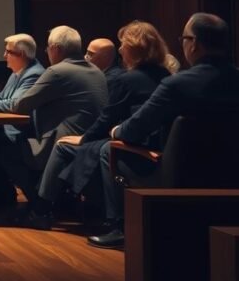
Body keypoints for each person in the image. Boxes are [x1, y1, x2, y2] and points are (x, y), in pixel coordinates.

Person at [88, 13, 239, 248]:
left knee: (109, 150)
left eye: (184, 38)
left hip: (183, 172)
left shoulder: (177, 84)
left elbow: (135, 129)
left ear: (194, 43)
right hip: (235, 171)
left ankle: (120, 227)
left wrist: (116, 131)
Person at [28, 21, 170, 230]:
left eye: (123, 45)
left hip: (132, 146)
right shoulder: (166, 76)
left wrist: (85, 138)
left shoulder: (128, 80)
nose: (120, 50)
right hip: (158, 145)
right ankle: (58, 208)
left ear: (134, 48)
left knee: (63, 145)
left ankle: (42, 210)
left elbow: (108, 118)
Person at [3, 25, 108, 213]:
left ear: (56, 49)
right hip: (94, 142)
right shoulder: (97, 71)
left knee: (6, 147)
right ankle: (54, 202)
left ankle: (39, 206)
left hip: (59, 144)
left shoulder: (57, 71)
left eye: (48, 48)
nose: (47, 52)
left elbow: (20, 105)